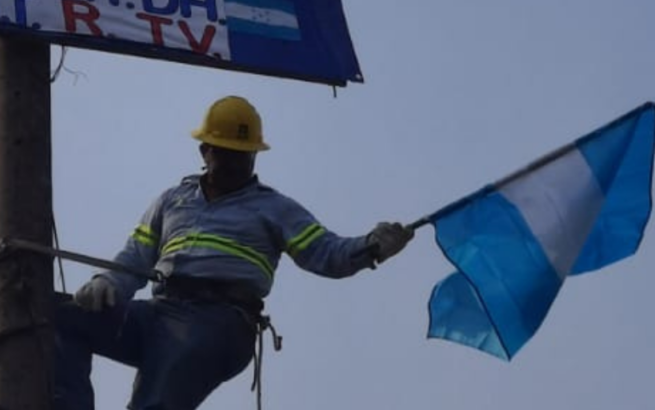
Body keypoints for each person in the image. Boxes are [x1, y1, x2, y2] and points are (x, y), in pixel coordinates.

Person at [53, 96, 413, 410]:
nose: (237, 163)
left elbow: (327, 253)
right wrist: (108, 282)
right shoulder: (173, 200)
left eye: (244, 155)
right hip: (161, 313)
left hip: (219, 322)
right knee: (58, 316)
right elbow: (136, 255)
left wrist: (371, 246)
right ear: (205, 151)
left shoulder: (274, 208)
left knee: (155, 404)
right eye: (227, 153)